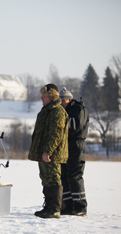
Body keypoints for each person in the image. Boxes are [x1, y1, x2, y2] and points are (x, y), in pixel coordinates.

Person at [28, 83, 69, 219]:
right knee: (45, 178)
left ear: (51, 97)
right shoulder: (46, 110)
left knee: (53, 178)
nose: (41, 98)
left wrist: (48, 151)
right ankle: (48, 207)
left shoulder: (58, 112)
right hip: (43, 152)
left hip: (53, 154)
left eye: (43, 96)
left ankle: (55, 209)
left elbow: (56, 135)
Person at [59, 87, 89, 216]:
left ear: (69, 99)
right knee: (64, 176)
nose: (60, 103)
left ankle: (80, 207)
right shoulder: (64, 110)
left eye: (62, 100)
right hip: (65, 146)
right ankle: (69, 206)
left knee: (75, 175)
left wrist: (59, 121)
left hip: (76, 145)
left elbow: (76, 125)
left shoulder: (79, 109)